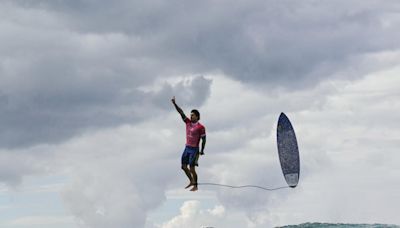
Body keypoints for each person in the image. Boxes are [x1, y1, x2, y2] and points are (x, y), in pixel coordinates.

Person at [171, 96, 206, 192]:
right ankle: (191, 181)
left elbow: (204, 139)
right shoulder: (188, 122)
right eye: (191, 115)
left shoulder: (201, 127)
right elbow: (181, 112)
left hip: (194, 150)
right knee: (183, 166)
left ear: (198, 117)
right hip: (187, 148)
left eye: (193, 115)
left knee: (192, 168)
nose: (191, 117)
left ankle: (196, 186)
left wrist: (202, 151)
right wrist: (174, 104)